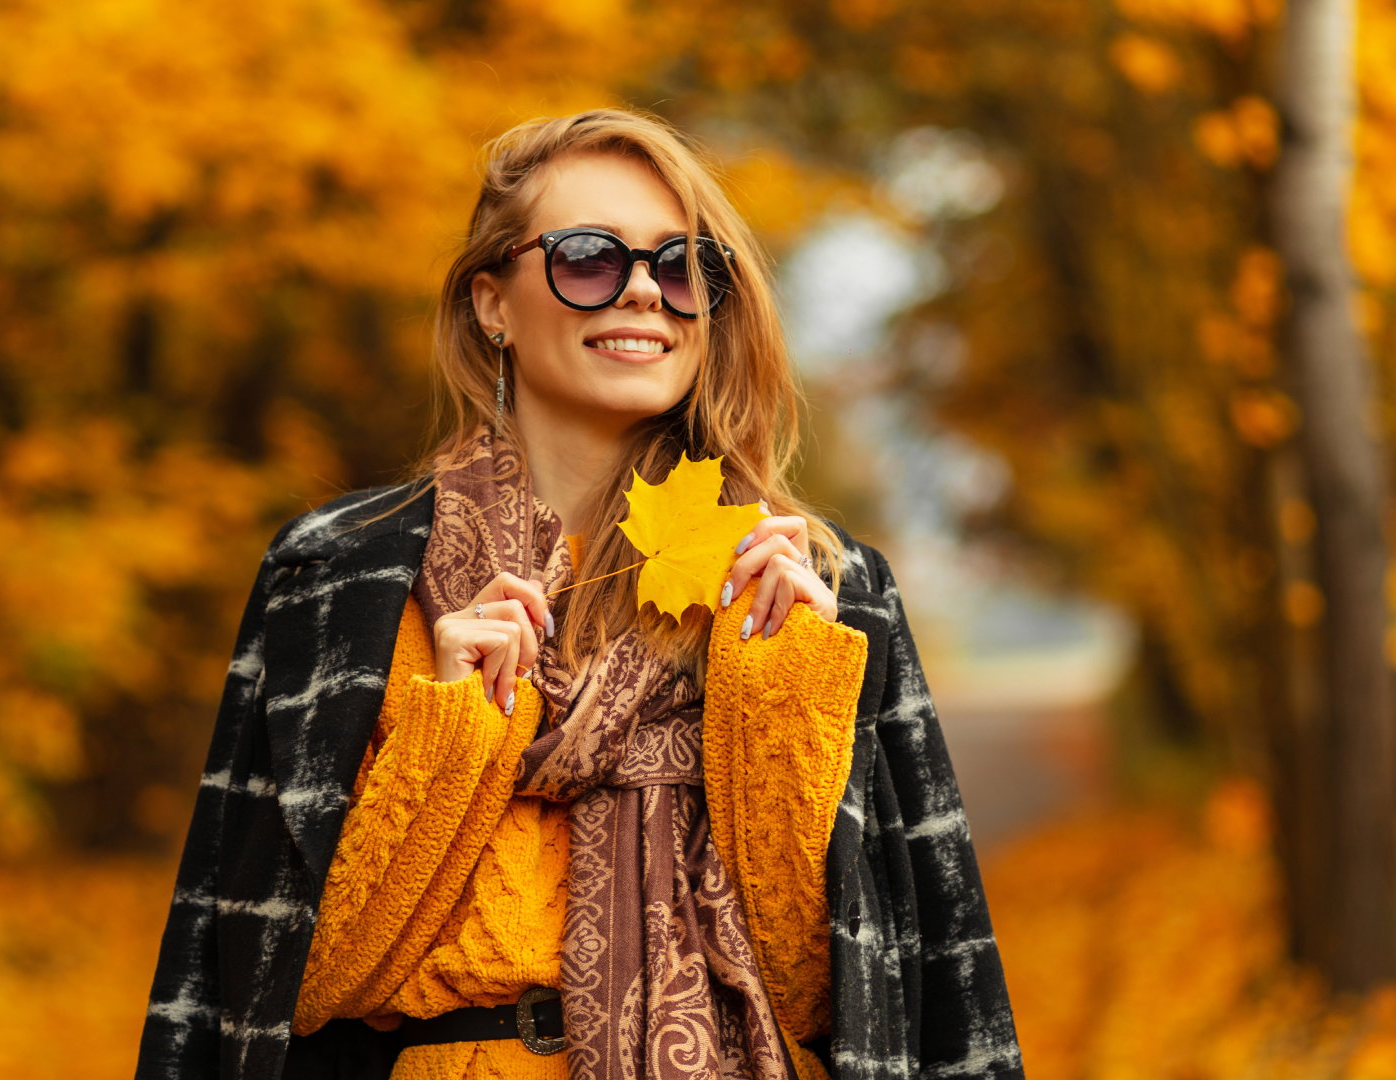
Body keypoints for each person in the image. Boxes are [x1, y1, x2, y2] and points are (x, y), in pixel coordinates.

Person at [136, 107, 1023, 1080]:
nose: (644, 291)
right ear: (492, 303)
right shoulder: (337, 577)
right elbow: (288, 986)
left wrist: (774, 703)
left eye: (682, 266)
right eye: (590, 258)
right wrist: (455, 732)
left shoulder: (821, 592)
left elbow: (837, 995)